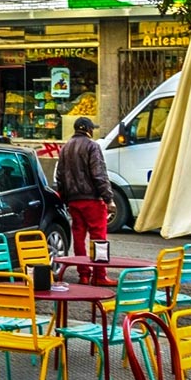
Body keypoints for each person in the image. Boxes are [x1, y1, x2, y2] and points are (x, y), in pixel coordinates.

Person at [56, 116, 112, 285]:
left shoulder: (65, 148)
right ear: (88, 129)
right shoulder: (92, 146)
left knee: (79, 237)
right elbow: (99, 174)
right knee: (98, 237)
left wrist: (66, 199)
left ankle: (84, 274)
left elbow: (59, 177)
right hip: (92, 200)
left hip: (74, 201)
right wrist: (108, 198)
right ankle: (100, 275)